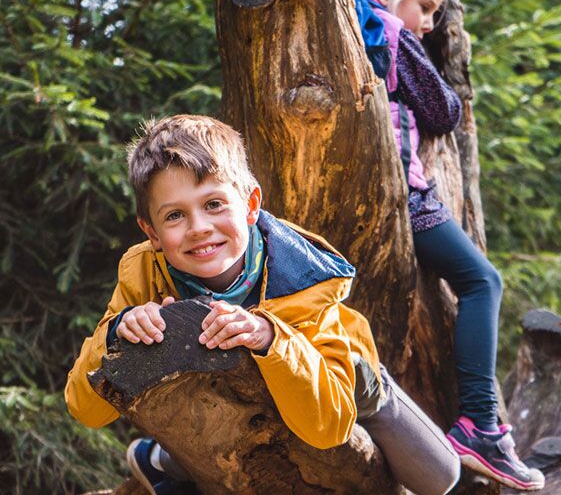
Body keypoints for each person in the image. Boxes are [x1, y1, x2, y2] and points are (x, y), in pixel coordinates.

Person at [65, 115, 460, 495]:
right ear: (151, 231)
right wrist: (119, 332)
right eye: (174, 215)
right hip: (235, 409)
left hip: (343, 385)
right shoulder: (143, 272)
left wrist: (270, 335)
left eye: (214, 204)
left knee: (440, 477)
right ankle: (162, 460)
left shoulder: (305, 279)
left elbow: (329, 427)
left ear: (251, 204)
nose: (199, 227)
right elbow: (85, 409)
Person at [342, 0, 545, 491]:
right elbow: (444, 109)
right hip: (404, 199)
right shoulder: (388, 28)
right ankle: (480, 425)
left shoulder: (349, 20)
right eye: (425, 6)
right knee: (483, 280)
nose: (429, 23)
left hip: (373, 196)